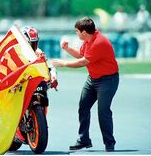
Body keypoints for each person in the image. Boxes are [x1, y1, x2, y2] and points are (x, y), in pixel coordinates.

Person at [51, 17, 119, 152]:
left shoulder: (99, 42)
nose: (76, 33)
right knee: (83, 108)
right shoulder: (89, 40)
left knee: (103, 112)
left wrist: (63, 63)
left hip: (107, 81)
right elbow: (80, 55)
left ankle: (109, 143)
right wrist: (67, 49)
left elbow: (83, 62)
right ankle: (84, 140)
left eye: (77, 31)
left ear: (83, 32)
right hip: (93, 79)